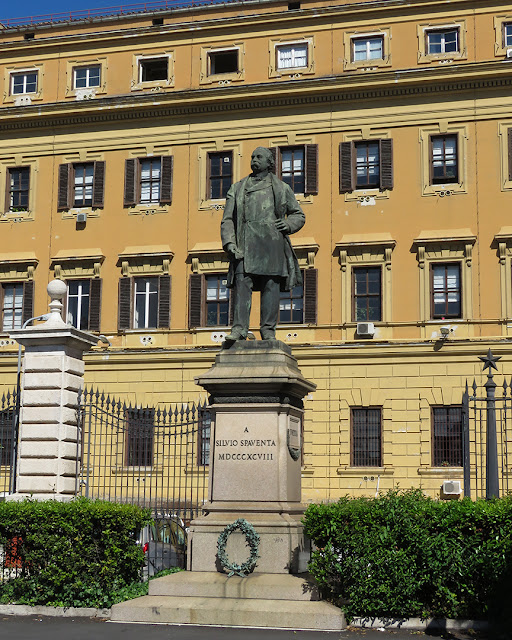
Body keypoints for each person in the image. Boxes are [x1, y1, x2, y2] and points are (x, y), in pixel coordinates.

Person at [220, 147, 305, 341]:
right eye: (252, 157)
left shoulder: (282, 188)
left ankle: (268, 330)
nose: (254, 160)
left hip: (272, 244)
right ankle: (239, 329)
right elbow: (227, 220)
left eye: (259, 157)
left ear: (269, 163)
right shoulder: (237, 188)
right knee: (242, 285)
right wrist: (230, 243)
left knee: (270, 287)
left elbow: (298, 214)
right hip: (244, 245)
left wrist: (288, 224)